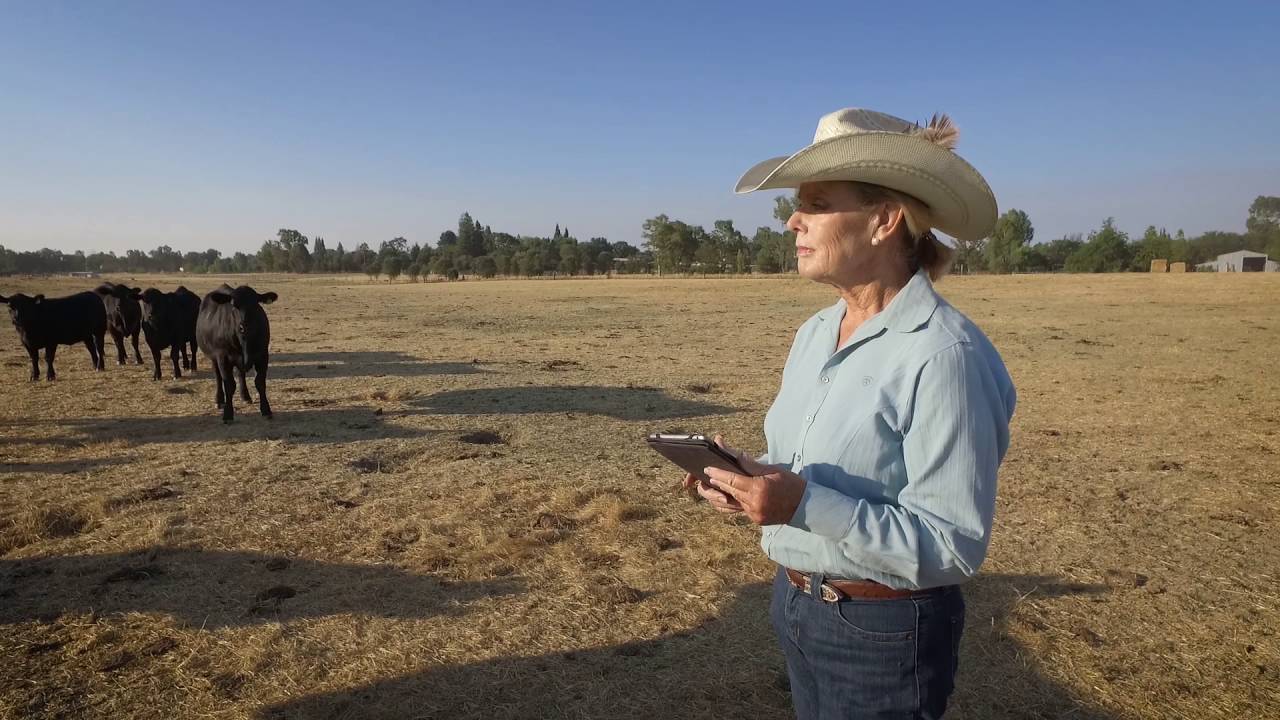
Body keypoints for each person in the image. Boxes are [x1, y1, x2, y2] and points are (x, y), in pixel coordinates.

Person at [683, 108, 1016, 719]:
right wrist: (751, 480)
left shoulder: (944, 355)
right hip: (795, 603)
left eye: (815, 202)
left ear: (884, 220)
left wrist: (801, 504)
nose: (792, 221)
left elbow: (952, 546)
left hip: (884, 629)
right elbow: (810, 467)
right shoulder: (816, 332)